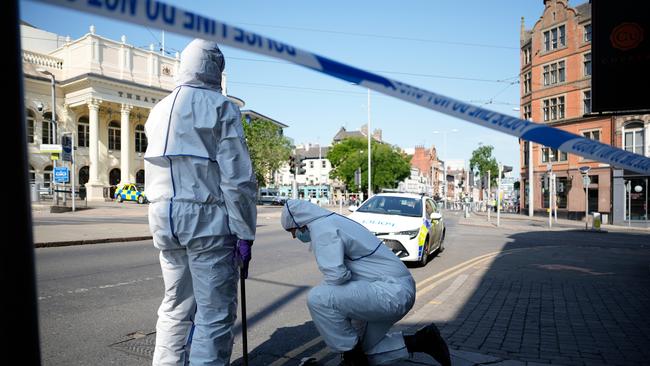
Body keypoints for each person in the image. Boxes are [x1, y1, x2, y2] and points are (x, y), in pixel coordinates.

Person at [144, 39, 257, 365]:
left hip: (164, 218)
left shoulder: (159, 109)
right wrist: (245, 231)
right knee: (214, 315)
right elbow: (237, 179)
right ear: (216, 70)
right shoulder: (221, 107)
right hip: (206, 218)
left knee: (175, 306)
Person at [281, 199, 451, 366]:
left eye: (292, 230)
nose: (294, 236)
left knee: (318, 299)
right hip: (391, 289)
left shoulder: (322, 229)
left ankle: (351, 360)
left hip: (390, 291)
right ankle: (423, 341)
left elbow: (336, 276)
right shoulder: (332, 221)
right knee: (366, 350)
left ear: (301, 222)